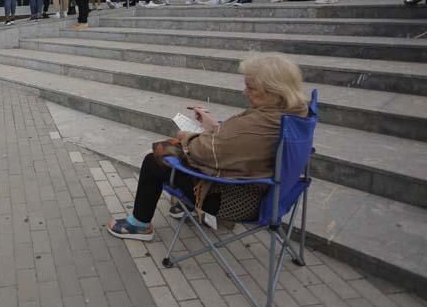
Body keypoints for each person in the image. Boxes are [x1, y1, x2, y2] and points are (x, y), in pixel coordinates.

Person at [106, 54, 308, 241]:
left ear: (273, 90)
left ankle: (140, 225)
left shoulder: (256, 126)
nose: (245, 92)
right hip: (269, 193)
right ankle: (188, 207)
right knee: (177, 154)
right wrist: (212, 127)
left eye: (251, 87)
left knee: (155, 160)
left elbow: (203, 152)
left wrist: (188, 136)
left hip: (237, 201)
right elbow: (238, 145)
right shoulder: (294, 115)